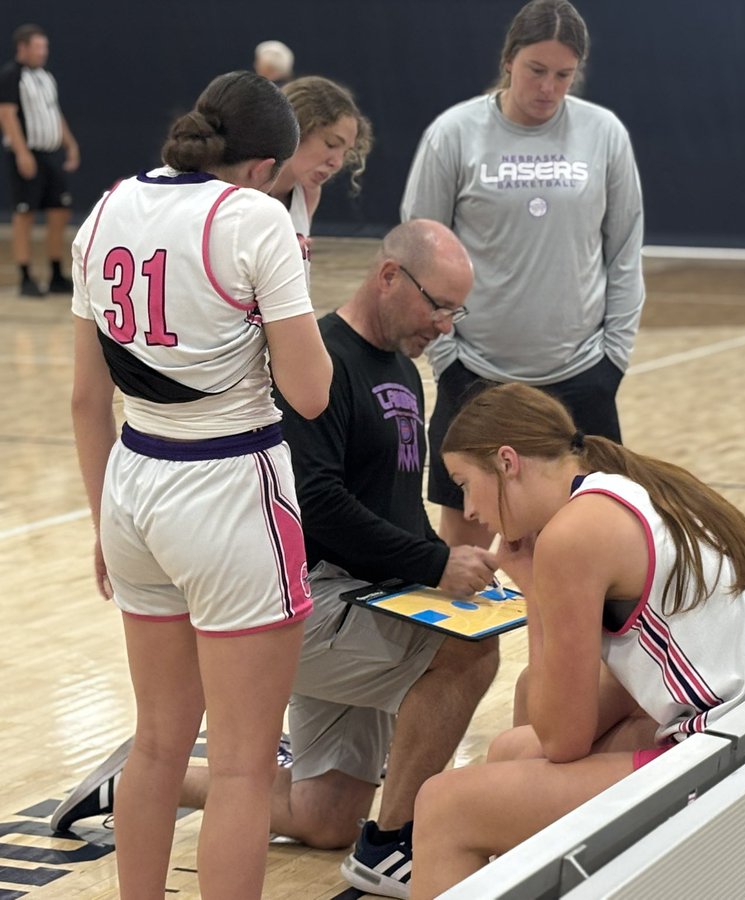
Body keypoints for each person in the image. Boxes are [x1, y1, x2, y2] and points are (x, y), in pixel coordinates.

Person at [54, 221, 501, 899]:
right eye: (438, 305)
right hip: (309, 602)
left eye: (454, 312)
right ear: (388, 277)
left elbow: (392, 503)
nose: (445, 324)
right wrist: (435, 564)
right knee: (467, 655)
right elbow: (315, 501)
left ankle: (146, 777)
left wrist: (435, 572)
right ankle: (391, 846)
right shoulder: (319, 356)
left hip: (370, 597)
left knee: (324, 818)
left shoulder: (403, 370)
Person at [67, 72, 331, 897]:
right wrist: (289, 289)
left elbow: (85, 398)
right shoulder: (256, 219)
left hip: (133, 483)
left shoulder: (107, 206)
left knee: (156, 744)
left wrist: (101, 523)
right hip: (228, 488)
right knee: (247, 768)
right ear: (261, 166)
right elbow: (311, 391)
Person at [408, 383, 745, 897]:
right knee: (512, 750)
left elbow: (564, 740)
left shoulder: (575, 534)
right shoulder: (627, 488)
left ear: (507, 462)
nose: (469, 510)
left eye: (464, 484)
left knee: (443, 807)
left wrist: (534, 589)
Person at [401, 0, 645, 550]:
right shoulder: (455, 133)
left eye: (564, 75)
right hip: (477, 375)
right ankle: (472, 644)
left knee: (586, 546)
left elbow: (625, 250)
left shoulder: (603, 133)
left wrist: (614, 357)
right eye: (537, 70)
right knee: (464, 552)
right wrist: (448, 358)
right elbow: (420, 250)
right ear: (509, 60)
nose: (549, 88)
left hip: (582, 375)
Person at [0, 24, 80, 297]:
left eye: (44, 47)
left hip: (48, 154)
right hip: (27, 153)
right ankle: (25, 275)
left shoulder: (46, 77)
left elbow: (54, 113)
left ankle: (56, 271)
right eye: (38, 47)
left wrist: (70, 143)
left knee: (60, 209)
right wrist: (22, 153)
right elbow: (7, 115)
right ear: (23, 47)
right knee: (25, 214)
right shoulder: (12, 76)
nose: (43, 52)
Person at [270, 76, 372, 273]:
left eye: (345, 153)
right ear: (298, 128)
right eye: (331, 144)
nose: (337, 163)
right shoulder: (239, 188)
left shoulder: (308, 193)